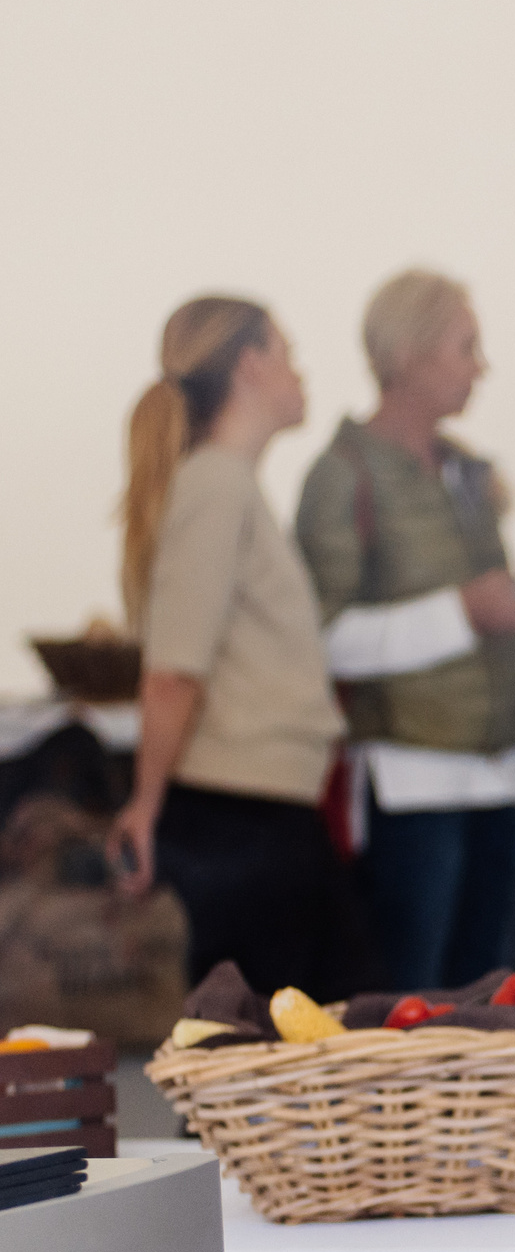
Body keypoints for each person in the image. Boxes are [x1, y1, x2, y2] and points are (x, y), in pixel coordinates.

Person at [106, 297, 369, 997]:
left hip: (266, 811)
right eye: (288, 352)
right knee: (253, 1061)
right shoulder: (216, 486)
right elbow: (173, 673)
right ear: (250, 364)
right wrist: (145, 806)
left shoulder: (231, 487)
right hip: (241, 821)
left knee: (264, 1061)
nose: (301, 373)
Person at [297, 271, 515, 991]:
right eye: (466, 346)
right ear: (406, 353)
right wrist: (463, 613)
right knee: (411, 1001)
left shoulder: (470, 473)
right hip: (411, 783)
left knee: (486, 1002)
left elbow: (499, 616)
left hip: (501, 774)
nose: (481, 366)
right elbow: (327, 640)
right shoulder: (341, 476)